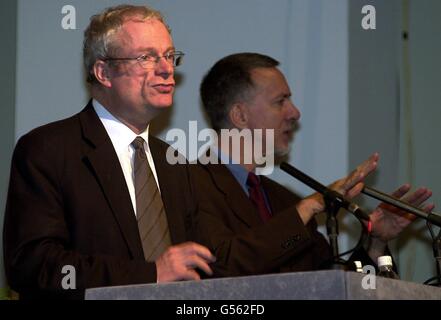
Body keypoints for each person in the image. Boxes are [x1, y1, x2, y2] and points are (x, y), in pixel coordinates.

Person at [3, 4, 215, 299]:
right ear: (103, 72)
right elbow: (32, 265)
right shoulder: (47, 150)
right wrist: (151, 275)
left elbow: (196, 266)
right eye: (147, 57)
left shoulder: (175, 163)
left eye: (169, 56)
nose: (167, 69)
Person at [192, 52, 434, 277]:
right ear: (240, 116)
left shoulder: (284, 200)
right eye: (280, 101)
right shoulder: (189, 184)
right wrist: (307, 208)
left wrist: (375, 242)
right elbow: (221, 265)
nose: (295, 113)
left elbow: (332, 283)